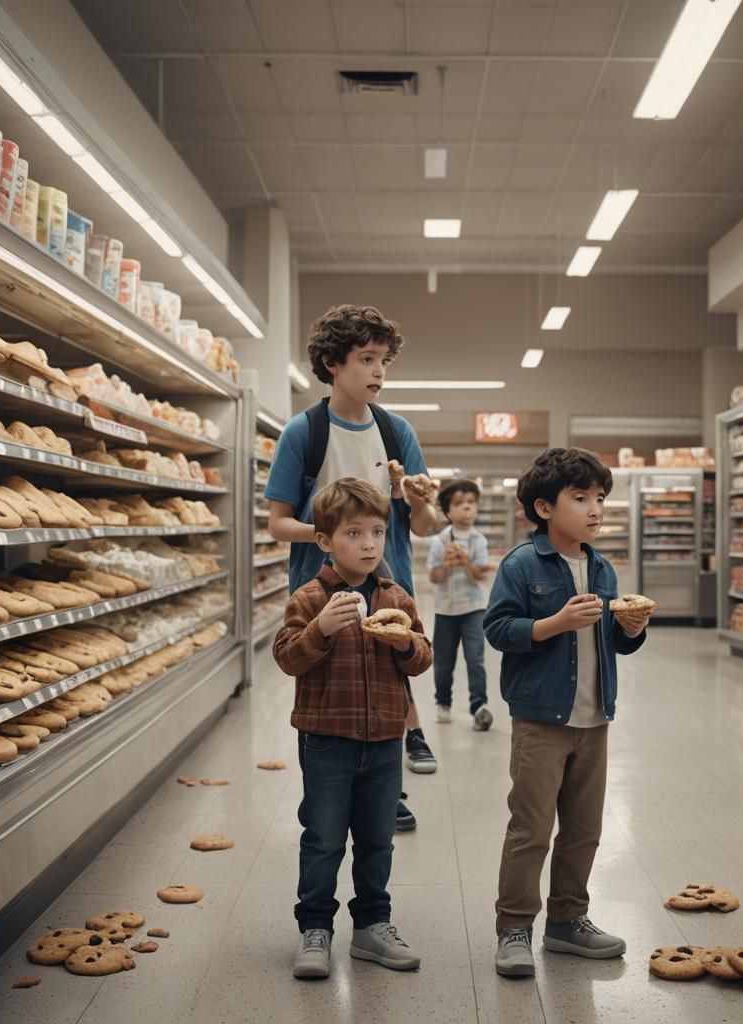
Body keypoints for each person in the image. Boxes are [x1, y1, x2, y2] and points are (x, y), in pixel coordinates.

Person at [265, 304, 442, 831]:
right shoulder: (305, 432)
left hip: (389, 587)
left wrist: (420, 499)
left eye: (384, 360)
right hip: (320, 592)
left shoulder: (395, 433)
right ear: (331, 362)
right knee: (328, 691)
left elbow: (426, 525)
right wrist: (333, 533)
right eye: (366, 359)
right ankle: (324, 793)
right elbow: (277, 524)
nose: (379, 371)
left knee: (388, 683)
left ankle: (389, 791)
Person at [482, 448, 653, 978]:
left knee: (584, 828)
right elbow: (497, 629)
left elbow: (614, 645)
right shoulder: (521, 564)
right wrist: (552, 623)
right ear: (543, 507)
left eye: (599, 498)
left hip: (594, 718)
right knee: (531, 826)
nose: (595, 509)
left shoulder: (602, 567)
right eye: (579, 498)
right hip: (541, 718)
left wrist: (632, 631)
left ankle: (567, 920)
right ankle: (514, 927)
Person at [273, 477, 433, 980]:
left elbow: (423, 659)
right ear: (324, 540)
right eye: (354, 534)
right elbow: (286, 657)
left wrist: (403, 643)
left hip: (385, 740)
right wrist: (320, 630)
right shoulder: (309, 598)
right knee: (322, 837)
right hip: (326, 740)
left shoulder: (397, 597)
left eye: (378, 533)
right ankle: (315, 929)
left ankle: (372, 925)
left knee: (377, 838)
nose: (368, 545)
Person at [427, 478, 493, 729]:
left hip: (474, 608)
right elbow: (434, 577)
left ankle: (479, 705)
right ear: (447, 511)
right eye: (460, 503)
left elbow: (480, 575)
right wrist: (446, 564)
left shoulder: (479, 541)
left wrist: (465, 562)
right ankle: (443, 701)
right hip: (445, 609)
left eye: (472, 502)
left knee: (475, 658)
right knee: (443, 660)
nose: (467, 507)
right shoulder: (439, 542)